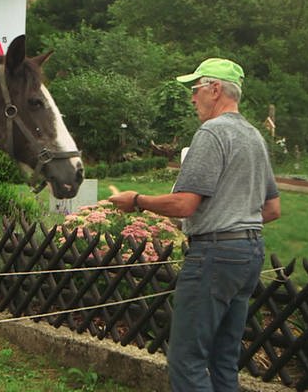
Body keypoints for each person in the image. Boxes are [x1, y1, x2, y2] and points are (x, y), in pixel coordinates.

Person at [108, 58, 281, 391]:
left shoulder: (213, 132)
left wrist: (137, 201)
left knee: (186, 361)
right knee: (224, 362)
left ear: (215, 90)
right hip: (249, 253)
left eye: (196, 89)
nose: (192, 98)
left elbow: (185, 204)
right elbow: (272, 209)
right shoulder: (255, 136)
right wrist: (235, 220)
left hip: (214, 256)